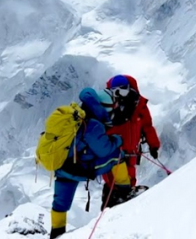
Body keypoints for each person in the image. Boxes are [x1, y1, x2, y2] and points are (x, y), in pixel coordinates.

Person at [50, 87, 127, 238]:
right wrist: (118, 139)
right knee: (117, 155)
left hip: (62, 166)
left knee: (60, 201)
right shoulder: (93, 125)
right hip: (80, 168)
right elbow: (105, 150)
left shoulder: (77, 115)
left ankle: (56, 231)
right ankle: (124, 191)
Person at [102, 74, 161, 208]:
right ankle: (113, 204)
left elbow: (147, 126)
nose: (119, 94)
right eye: (115, 91)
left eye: (122, 89)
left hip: (131, 150)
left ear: (129, 88)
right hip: (113, 151)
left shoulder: (139, 105)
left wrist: (154, 145)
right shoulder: (106, 106)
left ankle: (122, 207)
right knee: (114, 181)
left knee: (129, 179)